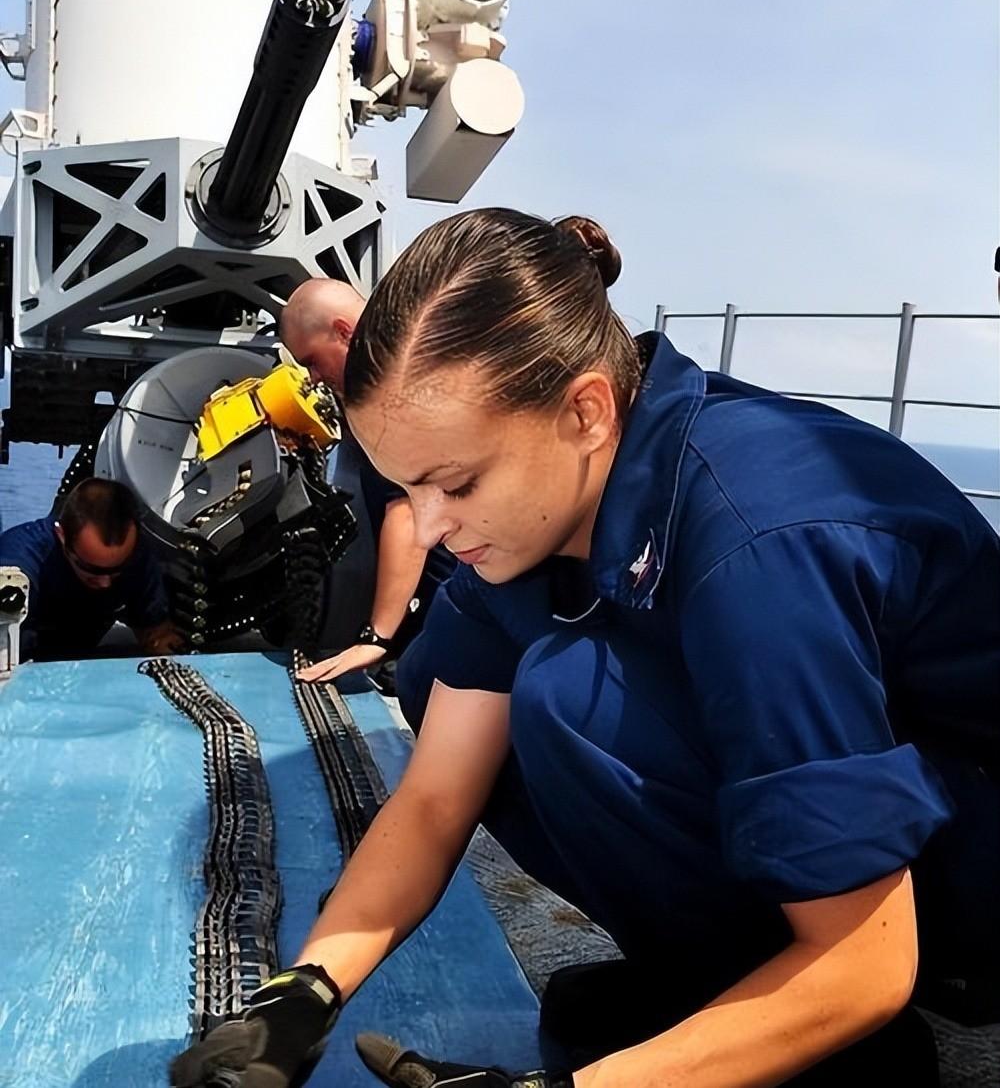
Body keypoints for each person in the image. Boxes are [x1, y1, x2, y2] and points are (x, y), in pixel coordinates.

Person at [172, 210, 1000, 1088]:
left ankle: (821, 1043)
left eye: (455, 482)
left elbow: (866, 963)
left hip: (960, 871)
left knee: (577, 700)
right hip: (853, 824)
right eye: (410, 487)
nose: (434, 525)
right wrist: (305, 990)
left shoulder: (757, 541)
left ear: (587, 412)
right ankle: (722, 996)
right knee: (476, 689)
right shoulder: (531, 524)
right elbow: (436, 796)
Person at [280, 277, 453, 679]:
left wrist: (375, 638)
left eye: (311, 361)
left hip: (448, 610)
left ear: (343, 331)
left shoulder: (390, 389)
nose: (315, 378)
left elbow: (408, 511)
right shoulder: (410, 358)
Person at [0, 477, 181, 661]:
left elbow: (155, 634)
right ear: (62, 536)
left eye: (117, 569)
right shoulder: (17, 566)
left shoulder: (138, 557)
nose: (105, 583)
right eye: (92, 570)